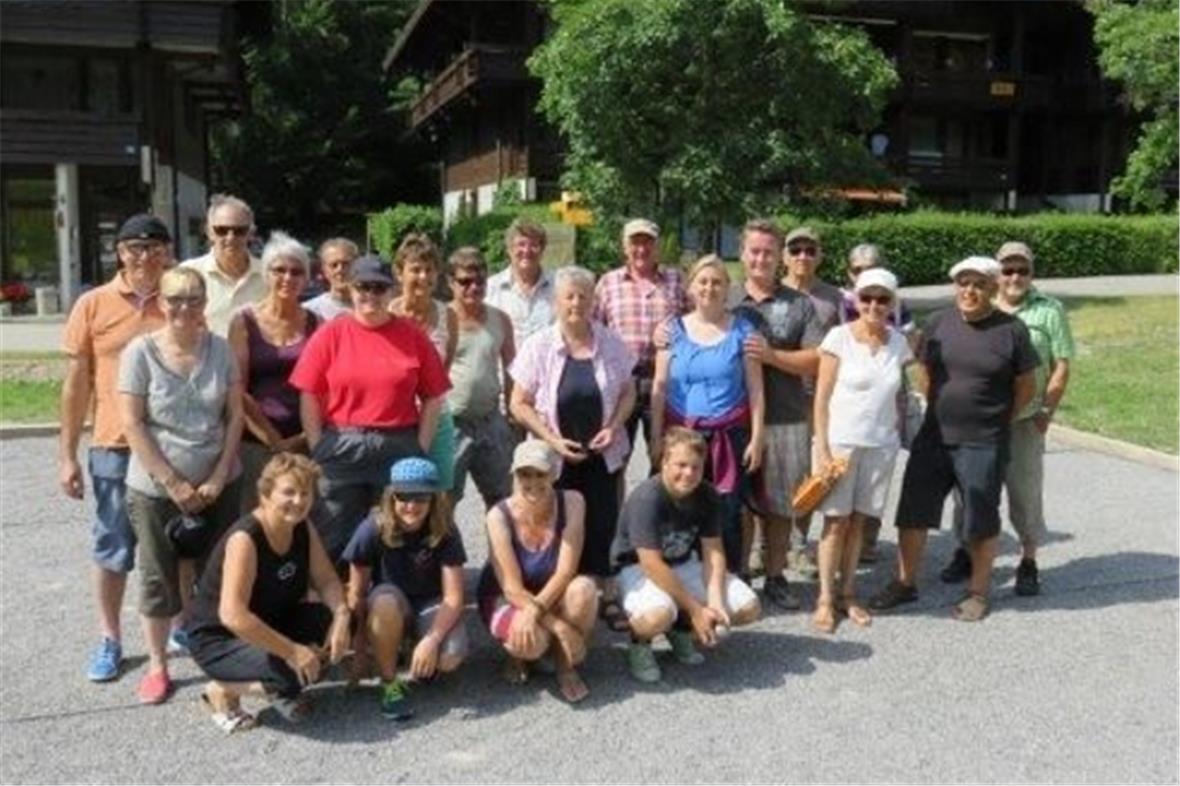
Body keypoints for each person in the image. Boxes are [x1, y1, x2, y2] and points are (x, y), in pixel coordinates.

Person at [869, 257, 1038, 622]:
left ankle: (978, 592)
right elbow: (926, 372)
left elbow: (1026, 386)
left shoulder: (1012, 330)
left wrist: (1000, 418)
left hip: (985, 440)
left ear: (992, 288)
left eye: (978, 284)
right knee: (913, 511)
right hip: (934, 435)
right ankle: (905, 583)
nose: (969, 291)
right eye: (963, 283)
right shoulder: (938, 323)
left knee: (980, 517)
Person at [118, 267, 245, 703]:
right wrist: (172, 481)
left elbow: (234, 417)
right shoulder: (140, 353)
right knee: (158, 576)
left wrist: (219, 474)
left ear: (205, 303)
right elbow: (132, 423)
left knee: (220, 570)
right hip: (155, 489)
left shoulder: (220, 349)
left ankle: (220, 653)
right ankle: (157, 665)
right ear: (160, 302)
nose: (184, 307)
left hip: (218, 484)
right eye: (175, 298)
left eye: (193, 298)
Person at [59, 213, 169, 683]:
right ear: (120, 253)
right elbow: (76, 385)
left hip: (170, 446)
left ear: (167, 253)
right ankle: (110, 638)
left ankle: (179, 627)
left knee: (173, 547)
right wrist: (67, 455)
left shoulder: (180, 299)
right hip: (114, 446)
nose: (145, 257)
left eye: (155, 248)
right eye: (135, 248)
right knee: (113, 547)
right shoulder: (93, 304)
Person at [289, 254, 450, 562]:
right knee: (332, 531)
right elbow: (308, 392)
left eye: (379, 288)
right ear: (351, 289)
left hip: (398, 444)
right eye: (363, 287)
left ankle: (386, 590)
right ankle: (335, 590)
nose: (371, 295)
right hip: (342, 443)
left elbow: (433, 396)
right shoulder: (331, 334)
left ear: (391, 291)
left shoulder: (413, 336)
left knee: (395, 532)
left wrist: (421, 446)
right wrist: (317, 444)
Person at [944, 241, 1074, 597]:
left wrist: (1046, 410)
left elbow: (1061, 366)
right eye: (1008, 270)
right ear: (996, 274)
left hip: (1024, 421)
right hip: (980, 421)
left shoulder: (1050, 310)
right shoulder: (979, 304)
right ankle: (965, 551)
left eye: (1022, 270)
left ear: (1032, 274)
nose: (1015, 277)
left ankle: (1028, 560)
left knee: (1024, 492)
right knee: (969, 491)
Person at [187, 453, 351, 732]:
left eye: (305, 493)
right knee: (293, 672)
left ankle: (282, 679)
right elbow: (233, 616)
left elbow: (326, 581)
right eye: (288, 492)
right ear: (265, 494)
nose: (298, 501)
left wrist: (342, 616)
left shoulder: (301, 526)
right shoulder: (246, 538)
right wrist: (293, 651)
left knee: (331, 625)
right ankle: (222, 689)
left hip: (272, 620)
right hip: (220, 639)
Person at [510, 266, 636, 600]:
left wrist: (613, 427)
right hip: (555, 456)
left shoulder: (611, 342)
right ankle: (556, 592)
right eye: (569, 297)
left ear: (594, 301)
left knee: (601, 522)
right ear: (556, 302)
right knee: (555, 523)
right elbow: (518, 403)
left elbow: (629, 393)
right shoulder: (538, 345)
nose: (576, 303)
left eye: (583, 296)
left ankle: (601, 593)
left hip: (601, 453)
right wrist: (551, 439)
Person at [612, 427, 761, 683]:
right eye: (681, 465)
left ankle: (680, 629)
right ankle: (640, 642)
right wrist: (696, 610)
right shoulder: (647, 498)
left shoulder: (707, 494)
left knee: (748, 608)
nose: (689, 473)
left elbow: (713, 551)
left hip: (682, 561)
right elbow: (651, 564)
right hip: (637, 568)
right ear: (664, 462)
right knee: (657, 616)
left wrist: (715, 602)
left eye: (696, 467)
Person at [726, 219, 823, 610]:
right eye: (754, 251)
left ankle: (776, 575)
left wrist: (772, 356)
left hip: (786, 417)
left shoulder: (799, 304)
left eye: (768, 252)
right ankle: (740, 573)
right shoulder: (726, 298)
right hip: (735, 418)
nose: (761, 259)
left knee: (782, 504)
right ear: (742, 254)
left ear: (779, 256)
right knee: (741, 503)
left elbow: (816, 359)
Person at [812, 268, 914, 633]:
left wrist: (897, 433)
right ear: (856, 300)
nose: (874, 305)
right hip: (840, 445)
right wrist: (823, 449)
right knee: (835, 523)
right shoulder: (838, 338)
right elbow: (821, 400)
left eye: (882, 299)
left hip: (879, 446)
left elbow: (901, 395)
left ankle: (848, 593)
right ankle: (825, 598)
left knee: (858, 523)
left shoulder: (899, 344)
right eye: (866, 297)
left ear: (892, 303)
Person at [651, 255, 765, 574]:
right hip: (681, 437)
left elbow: (755, 389)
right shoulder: (671, 331)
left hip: (729, 436)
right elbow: (660, 386)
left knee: (727, 511)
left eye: (717, 282)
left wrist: (757, 438)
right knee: (680, 509)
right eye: (702, 281)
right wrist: (656, 437)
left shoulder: (744, 331)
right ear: (690, 287)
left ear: (728, 288)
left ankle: (729, 580)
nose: (709, 288)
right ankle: (679, 580)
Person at [343, 458, 468, 721]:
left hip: (429, 603)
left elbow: (454, 596)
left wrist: (432, 640)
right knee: (384, 603)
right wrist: (359, 647)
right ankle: (389, 682)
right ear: (392, 496)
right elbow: (357, 593)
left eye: (420, 497)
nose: (411, 505)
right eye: (403, 496)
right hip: (389, 603)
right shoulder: (372, 528)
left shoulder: (445, 529)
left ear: (434, 498)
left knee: (451, 656)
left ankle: (414, 651)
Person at [478, 441, 597, 702]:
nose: (532, 481)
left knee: (585, 590)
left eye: (540, 473)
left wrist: (536, 613)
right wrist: (560, 627)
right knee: (532, 645)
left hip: (550, 589)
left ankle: (565, 666)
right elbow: (511, 588)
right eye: (525, 474)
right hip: (507, 596)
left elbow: (566, 571)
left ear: (554, 473)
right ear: (514, 475)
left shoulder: (573, 502)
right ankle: (517, 656)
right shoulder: (498, 516)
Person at [837, 243, 920, 563]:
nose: (864, 274)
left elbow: (912, 344)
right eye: (858, 269)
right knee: (840, 478)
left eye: (871, 268)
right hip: (848, 396)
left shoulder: (897, 304)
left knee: (877, 472)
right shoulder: (839, 302)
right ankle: (838, 543)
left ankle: (867, 540)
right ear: (849, 273)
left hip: (887, 394)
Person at [227, 231, 320, 514]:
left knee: (302, 518)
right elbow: (237, 388)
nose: (287, 278)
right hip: (255, 444)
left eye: (296, 271)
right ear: (266, 274)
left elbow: (325, 389)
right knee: (257, 519)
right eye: (279, 270)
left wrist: (301, 438)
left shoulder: (318, 324)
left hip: (305, 442)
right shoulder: (243, 322)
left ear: (307, 278)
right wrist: (274, 441)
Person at [779, 226, 842, 577]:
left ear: (820, 256)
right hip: (776, 394)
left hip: (816, 397)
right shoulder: (771, 293)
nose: (802, 256)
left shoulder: (834, 298)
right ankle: (764, 544)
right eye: (795, 249)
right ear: (784, 256)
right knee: (772, 472)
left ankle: (798, 544)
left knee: (808, 474)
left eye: (810, 250)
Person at [593, 218, 686, 451]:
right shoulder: (608, 283)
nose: (641, 249)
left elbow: (695, 323)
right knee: (615, 455)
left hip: (666, 380)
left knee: (666, 453)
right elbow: (594, 332)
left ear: (658, 246)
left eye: (648, 243)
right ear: (625, 247)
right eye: (635, 243)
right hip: (622, 381)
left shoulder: (676, 280)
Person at [389, 233, 458, 494]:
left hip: (438, 420)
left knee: (439, 496)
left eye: (430, 270)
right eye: (415, 269)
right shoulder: (387, 315)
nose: (423, 277)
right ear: (399, 273)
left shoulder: (448, 316)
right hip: (397, 422)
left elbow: (442, 373)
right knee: (397, 495)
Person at [447, 247, 516, 507]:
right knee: (444, 500)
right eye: (465, 282)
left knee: (503, 499)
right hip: (451, 424)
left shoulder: (501, 319)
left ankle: (497, 538)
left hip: (491, 421)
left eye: (480, 281)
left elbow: (511, 370)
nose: (473, 287)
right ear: (450, 282)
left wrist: (512, 416)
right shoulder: (440, 319)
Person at [180, 194, 266, 336]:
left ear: (251, 233)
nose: (230, 238)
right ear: (209, 232)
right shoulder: (188, 274)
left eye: (239, 231)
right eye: (221, 230)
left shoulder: (270, 276)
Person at [485, 218, 555, 349]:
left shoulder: (559, 287)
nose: (527, 251)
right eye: (521, 244)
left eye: (534, 245)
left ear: (542, 250)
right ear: (509, 249)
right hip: (505, 362)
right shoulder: (491, 288)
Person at [304, 238, 359, 321]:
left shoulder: (372, 307)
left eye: (346, 264)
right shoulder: (310, 311)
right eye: (334, 265)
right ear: (324, 270)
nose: (340, 270)